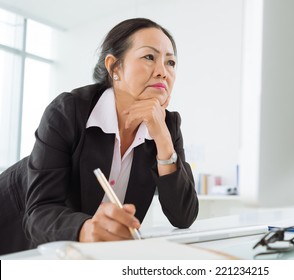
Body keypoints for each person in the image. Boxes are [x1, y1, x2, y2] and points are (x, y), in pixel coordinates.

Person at [21, 18, 198, 246]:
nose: (163, 72)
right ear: (115, 67)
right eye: (149, 57)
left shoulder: (168, 125)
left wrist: (163, 139)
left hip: (81, 254)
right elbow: (38, 213)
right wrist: (86, 229)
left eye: (171, 62)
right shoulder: (68, 111)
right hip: (16, 235)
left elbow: (183, 216)